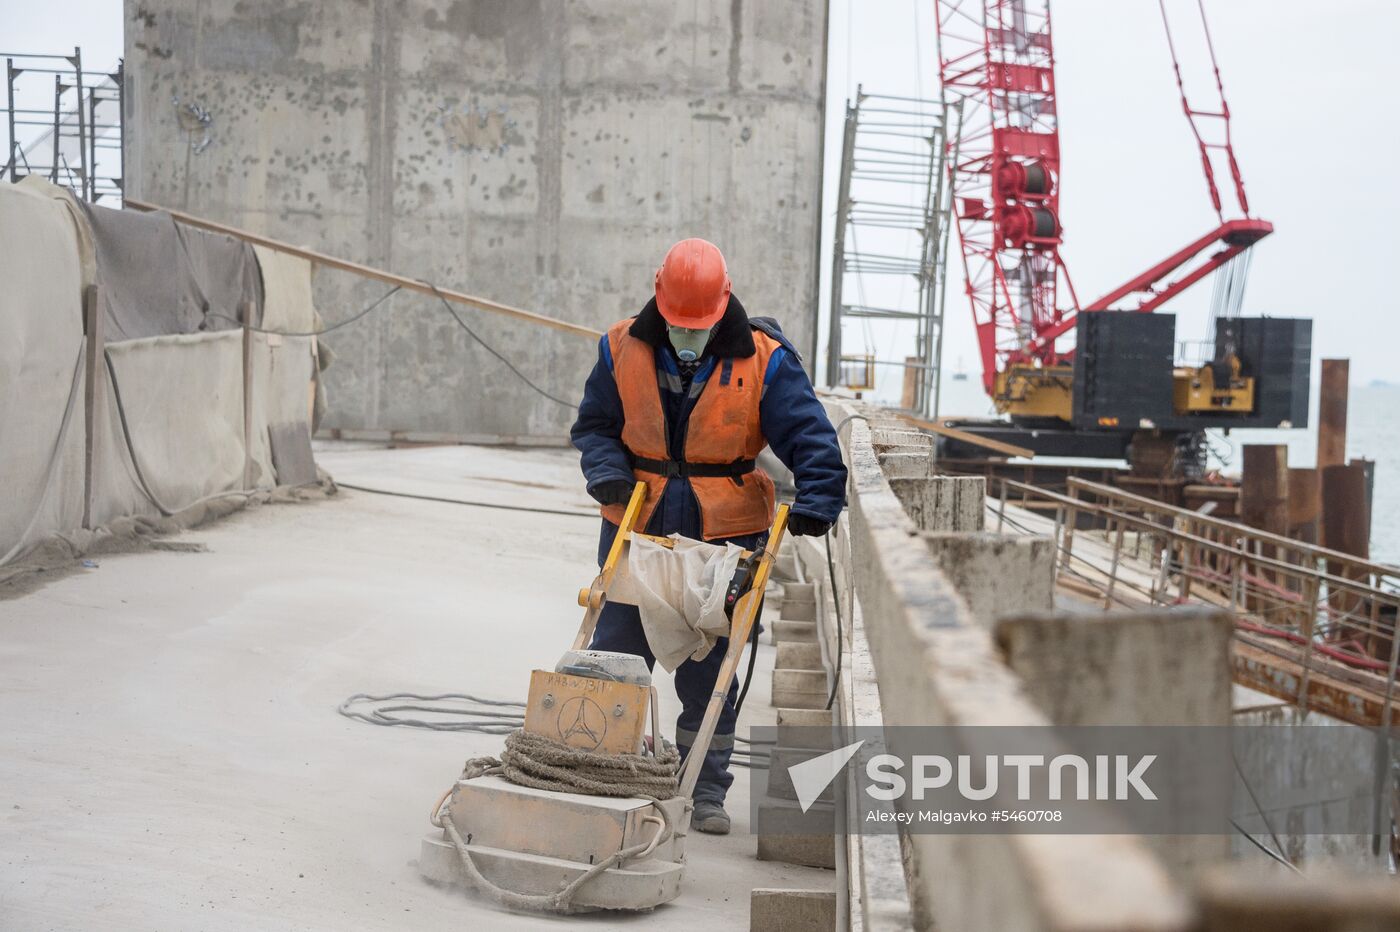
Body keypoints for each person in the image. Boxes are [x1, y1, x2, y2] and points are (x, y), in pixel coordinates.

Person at [570, 237, 847, 834]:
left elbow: (811, 435)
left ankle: (704, 787)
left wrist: (821, 496)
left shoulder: (766, 359)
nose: (686, 335)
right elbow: (594, 426)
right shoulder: (620, 346)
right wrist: (608, 473)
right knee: (617, 651)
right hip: (638, 523)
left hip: (728, 536)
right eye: (678, 324)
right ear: (657, 296)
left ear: (725, 304)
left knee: (715, 664)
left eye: (698, 326)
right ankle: (598, 768)